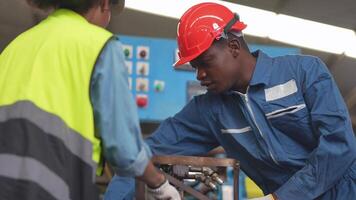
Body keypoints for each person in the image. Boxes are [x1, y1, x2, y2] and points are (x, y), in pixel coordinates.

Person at [105, 2, 356, 200]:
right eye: (194, 66)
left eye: (205, 63)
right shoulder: (210, 110)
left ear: (234, 46)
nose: (199, 74)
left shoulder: (304, 72)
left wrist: (281, 197)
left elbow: (339, 145)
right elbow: (145, 155)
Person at [0, 0, 180, 199]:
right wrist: (159, 184)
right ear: (103, 4)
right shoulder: (99, 44)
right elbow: (124, 150)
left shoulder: (15, 46)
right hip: (53, 184)